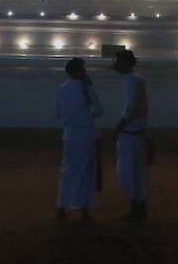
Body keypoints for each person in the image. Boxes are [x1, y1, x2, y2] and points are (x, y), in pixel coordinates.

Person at [54, 57, 103, 223]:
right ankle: (84, 210)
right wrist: (85, 114)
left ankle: (61, 207)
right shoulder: (86, 89)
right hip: (85, 134)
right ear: (80, 71)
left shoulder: (61, 89)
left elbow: (58, 114)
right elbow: (99, 110)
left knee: (67, 170)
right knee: (86, 172)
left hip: (69, 134)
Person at [112, 49, 149, 222]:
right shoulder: (138, 79)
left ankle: (135, 207)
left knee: (128, 171)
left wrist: (118, 128)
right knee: (138, 171)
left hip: (130, 132)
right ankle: (140, 206)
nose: (116, 66)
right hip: (138, 131)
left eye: (118, 62)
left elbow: (131, 109)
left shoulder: (130, 81)